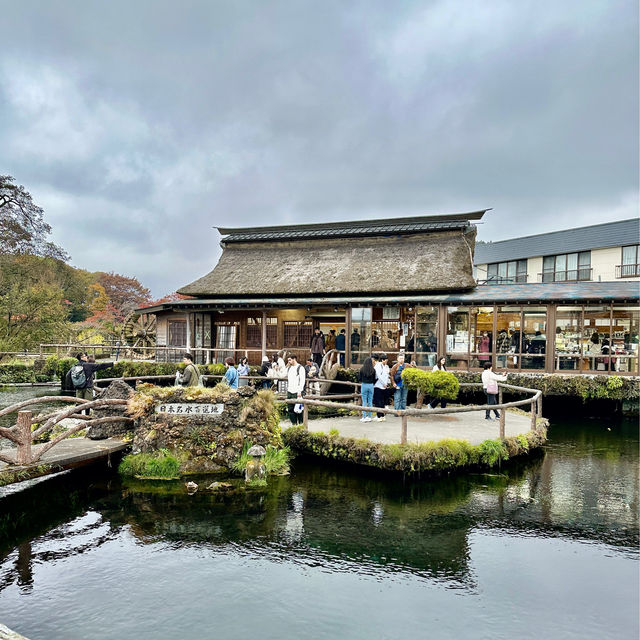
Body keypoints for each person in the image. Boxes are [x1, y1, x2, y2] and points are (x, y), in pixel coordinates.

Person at [286, 355, 306, 425]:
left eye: (290, 360)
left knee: (299, 409)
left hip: (297, 391)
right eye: (288, 360)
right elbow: (282, 375)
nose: (289, 362)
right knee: (290, 409)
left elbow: (302, 380)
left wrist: (300, 390)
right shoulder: (289, 368)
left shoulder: (300, 368)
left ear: (294, 359)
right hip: (290, 390)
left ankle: (301, 424)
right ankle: (294, 424)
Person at [359, 354, 377, 422]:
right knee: (370, 401)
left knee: (364, 401)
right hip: (371, 385)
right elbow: (374, 379)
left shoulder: (362, 369)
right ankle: (369, 416)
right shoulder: (373, 370)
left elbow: (359, 378)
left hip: (364, 385)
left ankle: (364, 416)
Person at [373, 353, 390, 421]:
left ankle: (382, 415)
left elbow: (387, 375)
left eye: (386, 361)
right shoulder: (378, 366)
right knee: (378, 401)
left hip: (384, 386)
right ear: (382, 360)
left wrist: (387, 384)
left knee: (382, 402)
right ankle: (378, 416)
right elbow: (379, 376)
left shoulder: (386, 366)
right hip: (378, 386)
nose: (386, 362)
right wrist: (383, 383)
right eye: (385, 360)